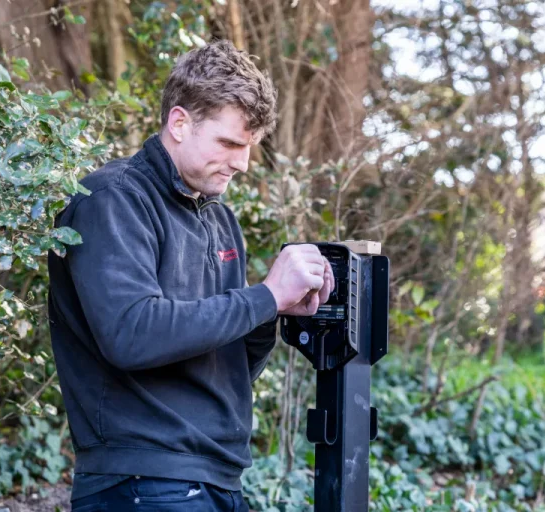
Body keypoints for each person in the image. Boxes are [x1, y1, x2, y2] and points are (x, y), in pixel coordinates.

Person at [46, 40, 335, 511]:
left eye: (249, 148)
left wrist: (272, 309)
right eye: (228, 143)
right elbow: (131, 334)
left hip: (218, 477)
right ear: (180, 123)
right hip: (143, 481)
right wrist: (262, 296)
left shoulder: (220, 220)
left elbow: (230, 367)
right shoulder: (113, 200)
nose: (241, 163)